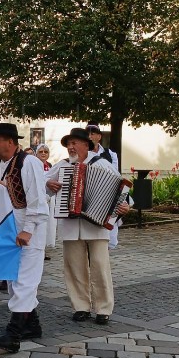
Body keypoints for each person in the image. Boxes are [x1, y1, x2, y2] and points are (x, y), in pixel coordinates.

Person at [45, 128, 130, 325]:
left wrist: (125, 206)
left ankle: (103, 308)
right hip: (70, 224)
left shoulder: (101, 164)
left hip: (97, 224)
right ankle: (81, 306)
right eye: (68, 144)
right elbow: (43, 184)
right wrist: (49, 183)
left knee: (100, 266)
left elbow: (121, 189)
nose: (70, 147)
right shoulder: (63, 165)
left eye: (74, 143)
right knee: (74, 267)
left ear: (86, 145)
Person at [0, 123, 49, 353]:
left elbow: (38, 200)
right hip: (9, 231)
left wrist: (28, 229)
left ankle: (14, 334)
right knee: (14, 279)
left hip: (29, 232)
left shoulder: (29, 163)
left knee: (25, 281)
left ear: (10, 141)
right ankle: (32, 325)